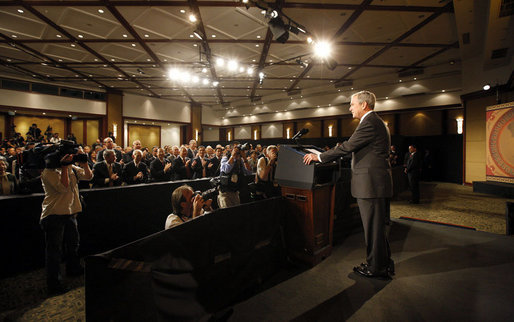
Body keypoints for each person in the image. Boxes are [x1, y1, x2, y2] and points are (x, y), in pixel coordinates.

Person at [303, 90, 393, 279]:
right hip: (374, 184)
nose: (350, 108)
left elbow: (348, 146)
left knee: (372, 228)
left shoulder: (369, 123)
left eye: (352, 104)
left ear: (363, 105)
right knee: (376, 227)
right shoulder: (375, 122)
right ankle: (384, 263)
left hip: (370, 185)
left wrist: (318, 157)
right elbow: (352, 145)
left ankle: (375, 268)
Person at [40, 148, 92, 295]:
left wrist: (84, 163)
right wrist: (64, 168)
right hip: (53, 215)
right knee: (54, 252)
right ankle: (54, 283)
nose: (71, 158)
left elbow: (88, 177)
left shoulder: (72, 168)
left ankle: (73, 268)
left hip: (70, 213)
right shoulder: (48, 172)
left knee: (73, 244)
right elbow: (63, 188)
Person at [218, 143, 252, 208]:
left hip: (235, 192)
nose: (238, 150)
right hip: (225, 192)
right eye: (235, 148)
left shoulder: (240, 160)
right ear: (231, 150)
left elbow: (249, 172)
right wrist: (232, 156)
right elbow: (225, 170)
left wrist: (244, 158)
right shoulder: (225, 158)